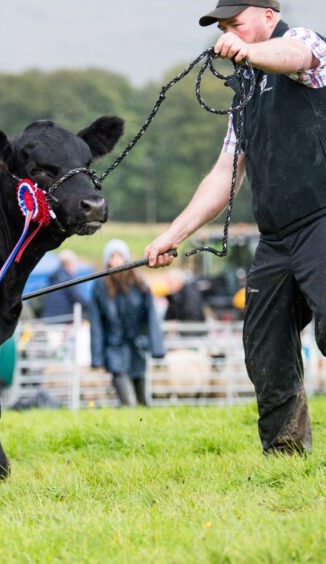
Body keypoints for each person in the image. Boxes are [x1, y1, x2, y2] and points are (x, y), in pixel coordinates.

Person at [145, 0, 326, 453]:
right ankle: (286, 456)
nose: (227, 33)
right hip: (276, 238)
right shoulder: (244, 92)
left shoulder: (303, 43)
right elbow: (225, 173)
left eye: (235, 22)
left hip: (322, 219)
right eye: (223, 26)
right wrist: (173, 234)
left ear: (268, 14)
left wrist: (250, 53)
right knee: (264, 345)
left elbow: (296, 57)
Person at [90, 240, 165, 407]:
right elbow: (95, 323)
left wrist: (156, 347)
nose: (116, 261)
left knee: (142, 399)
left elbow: (151, 316)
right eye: (112, 256)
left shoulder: (139, 283)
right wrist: (97, 357)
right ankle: (127, 418)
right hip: (114, 347)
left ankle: (144, 420)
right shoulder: (100, 286)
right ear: (107, 261)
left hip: (136, 344)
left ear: (126, 259)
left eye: (119, 256)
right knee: (126, 399)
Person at [41, 250, 88, 322]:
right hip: (62, 322)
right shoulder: (69, 280)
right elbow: (81, 300)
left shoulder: (53, 278)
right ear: (69, 264)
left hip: (48, 320)